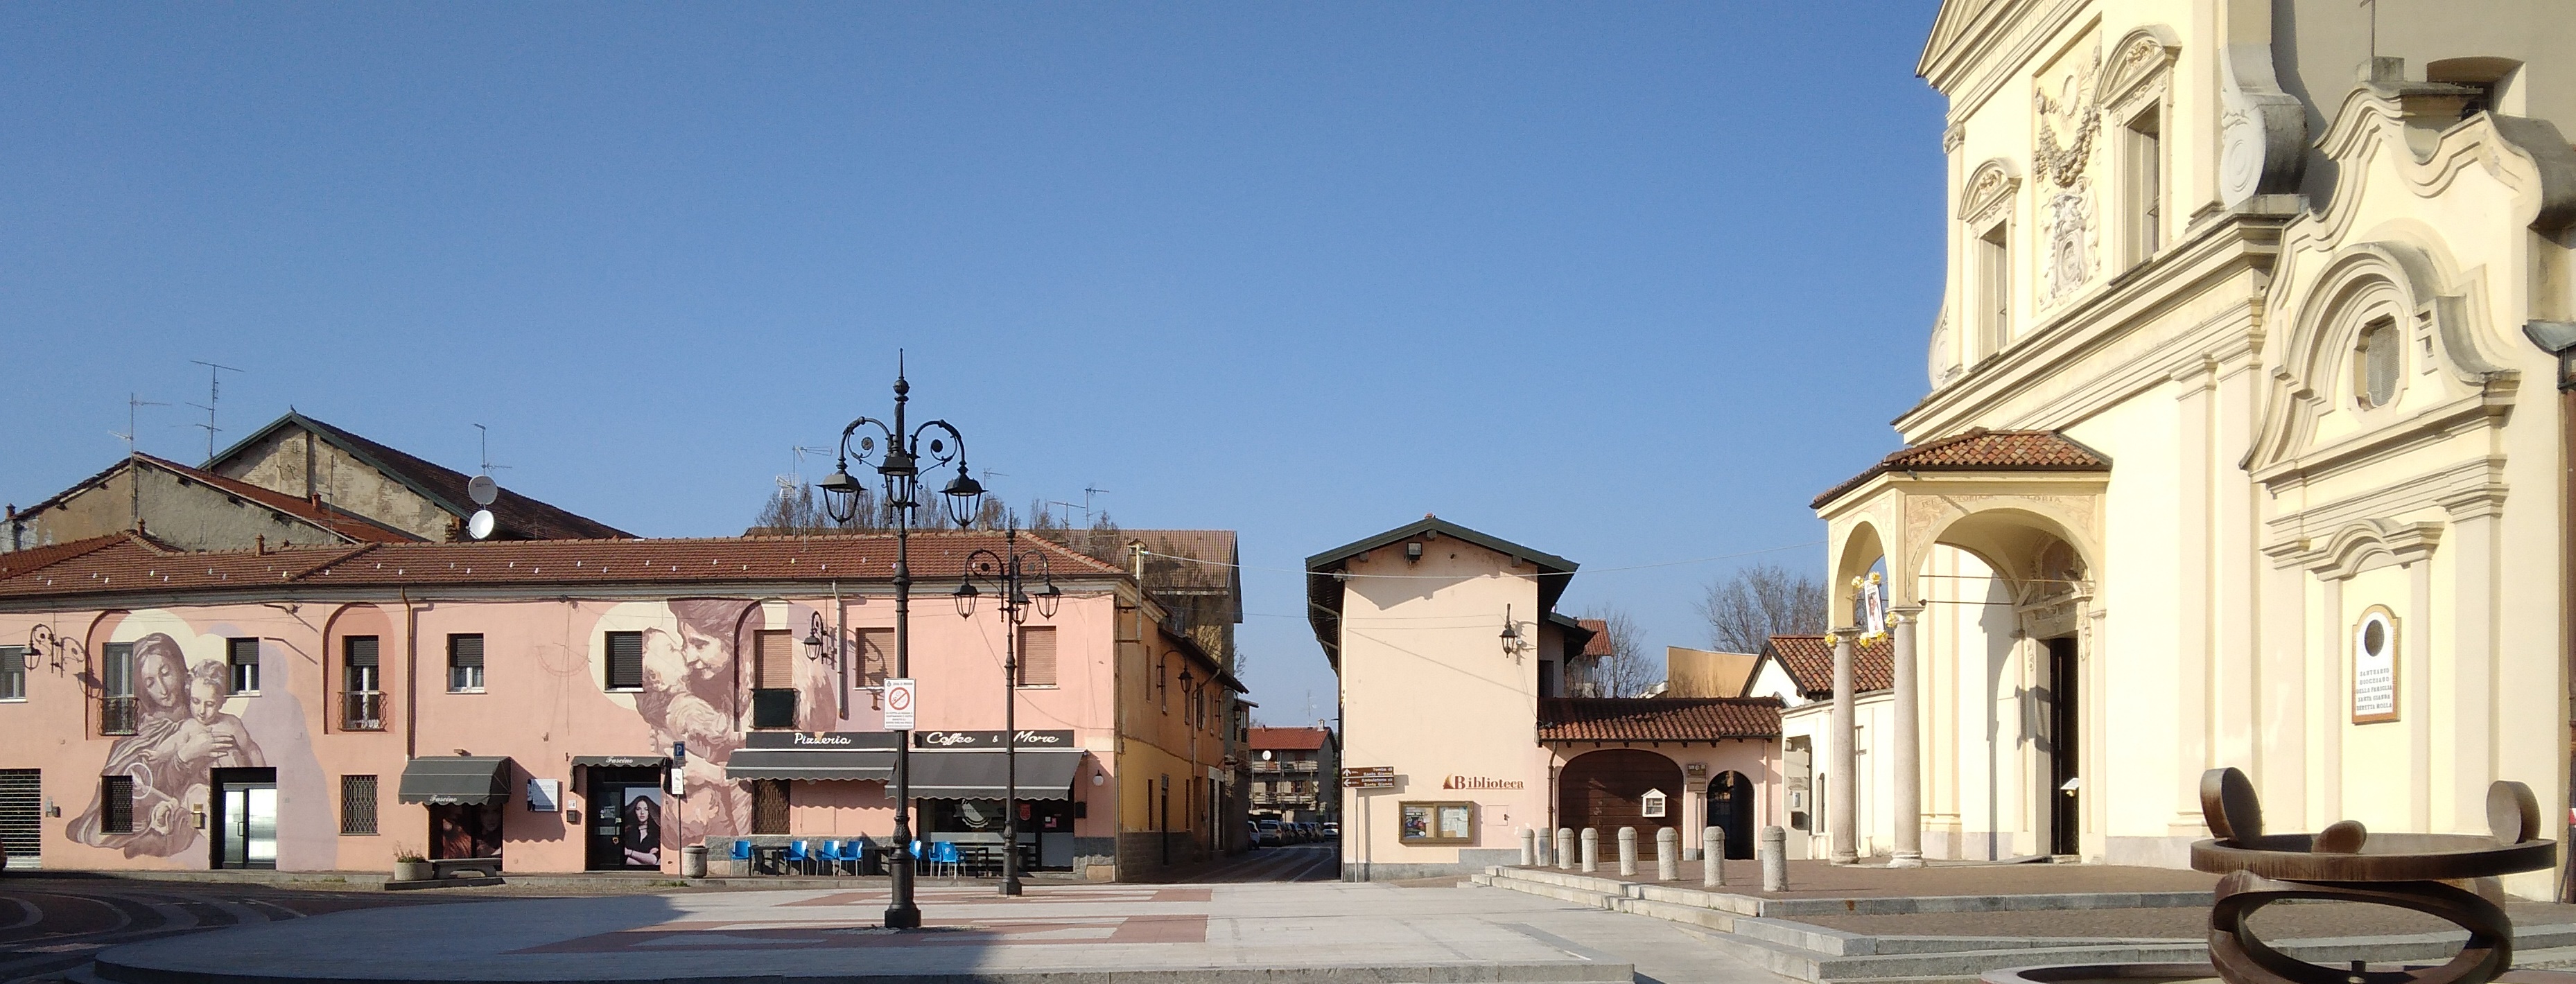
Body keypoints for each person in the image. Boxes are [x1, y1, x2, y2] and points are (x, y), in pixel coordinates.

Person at [178, 661, 264, 770]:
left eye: (210, 704)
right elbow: (174, 747)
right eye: (196, 701)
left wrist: (261, 776)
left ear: (222, 701)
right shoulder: (189, 726)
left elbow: (252, 750)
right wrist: (157, 755)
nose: (202, 711)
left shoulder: (231, 724)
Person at [620, 794, 661, 866]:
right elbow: (624, 859)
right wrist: (645, 860)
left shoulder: (656, 833)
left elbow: (653, 860)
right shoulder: (629, 832)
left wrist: (629, 852)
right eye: (638, 809)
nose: (642, 812)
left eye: (646, 809)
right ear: (634, 811)